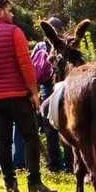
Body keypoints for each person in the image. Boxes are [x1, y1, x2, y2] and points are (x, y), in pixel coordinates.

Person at [0, 0, 56, 192]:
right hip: (18, 95)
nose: (12, 14)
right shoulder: (14, 32)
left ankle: (10, 184)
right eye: (9, 10)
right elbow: (25, 65)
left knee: (4, 141)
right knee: (30, 137)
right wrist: (34, 93)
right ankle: (34, 183)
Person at [36, 17, 71, 173]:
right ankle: (70, 165)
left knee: (51, 131)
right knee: (68, 129)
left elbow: (33, 70)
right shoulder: (68, 44)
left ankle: (54, 166)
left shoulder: (40, 46)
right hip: (65, 91)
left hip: (47, 91)